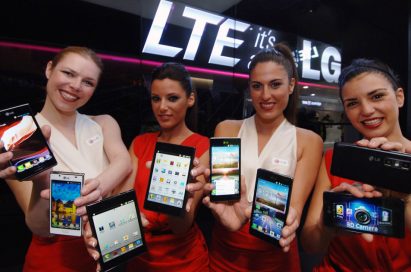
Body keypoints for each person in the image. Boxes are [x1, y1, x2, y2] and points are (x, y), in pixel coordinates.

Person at [4, 46, 132, 271]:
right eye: (69, 73)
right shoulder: (21, 135)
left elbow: (123, 162)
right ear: (49, 69)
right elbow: (41, 227)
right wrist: (42, 181)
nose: (75, 86)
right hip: (56, 256)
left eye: (88, 82)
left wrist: (96, 190)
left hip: (109, 239)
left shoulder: (102, 123)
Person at [202, 44, 323, 271]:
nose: (265, 95)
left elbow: (293, 209)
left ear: (291, 85)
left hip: (275, 253)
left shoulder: (309, 141)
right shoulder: (227, 129)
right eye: (257, 86)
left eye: (275, 84)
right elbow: (212, 185)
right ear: (250, 89)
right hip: (226, 249)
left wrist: (290, 222)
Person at [86, 62, 209, 271]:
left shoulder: (202, 146)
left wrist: (174, 196)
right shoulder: (141, 142)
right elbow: (123, 202)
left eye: (172, 98)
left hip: (183, 260)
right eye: (156, 98)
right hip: (140, 255)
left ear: (190, 99)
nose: (162, 107)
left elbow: (180, 227)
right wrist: (105, 240)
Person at [301, 58, 411, 271]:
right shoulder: (336, 160)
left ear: (399, 97)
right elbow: (310, 244)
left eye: (377, 96)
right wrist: (328, 224)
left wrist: (405, 197)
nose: (367, 110)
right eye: (353, 103)